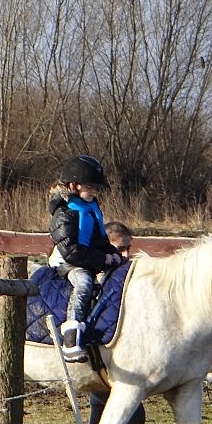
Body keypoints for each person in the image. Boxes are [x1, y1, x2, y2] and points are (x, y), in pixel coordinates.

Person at [73, 221, 145, 424]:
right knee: (114, 418)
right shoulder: (97, 278)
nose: (127, 253)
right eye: (121, 247)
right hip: (98, 363)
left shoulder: (124, 279)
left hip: (115, 364)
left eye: (129, 246)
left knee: (117, 418)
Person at [48, 155, 124, 361]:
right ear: (73, 186)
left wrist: (114, 255)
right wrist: (102, 260)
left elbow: (100, 240)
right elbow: (71, 250)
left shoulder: (91, 208)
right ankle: (71, 339)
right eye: (90, 186)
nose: (95, 191)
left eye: (96, 187)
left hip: (89, 257)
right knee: (84, 284)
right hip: (70, 263)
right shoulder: (64, 212)